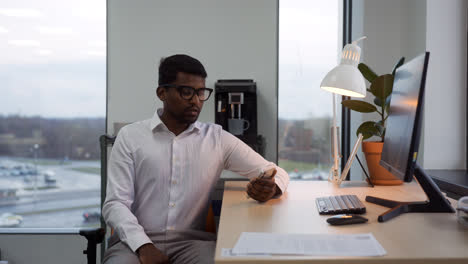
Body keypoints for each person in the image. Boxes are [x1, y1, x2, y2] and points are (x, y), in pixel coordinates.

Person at [102, 54, 290, 264]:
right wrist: (144, 246)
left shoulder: (217, 139)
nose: (196, 100)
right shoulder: (130, 137)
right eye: (186, 92)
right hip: (133, 245)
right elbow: (115, 204)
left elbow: (275, 171)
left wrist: (271, 188)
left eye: (201, 92)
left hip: (192, 245)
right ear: (162, 92)